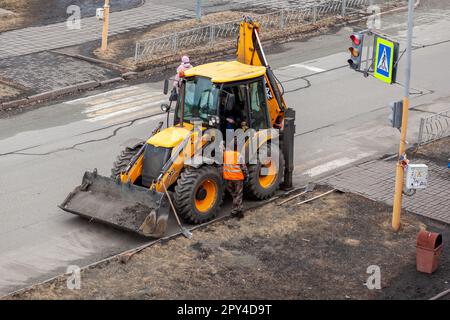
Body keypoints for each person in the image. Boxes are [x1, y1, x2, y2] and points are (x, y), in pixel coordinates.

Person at [223, 143, 249, 219]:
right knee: (238, 195)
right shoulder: (238, 155)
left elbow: (222, 149)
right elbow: (243, 167)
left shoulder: (225, 154)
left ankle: (237, 210)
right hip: (237, 179)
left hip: (228, 178)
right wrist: (246, 176)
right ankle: (237, 212)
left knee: (234, 195)